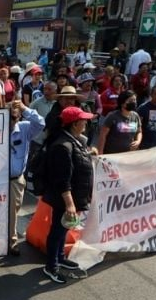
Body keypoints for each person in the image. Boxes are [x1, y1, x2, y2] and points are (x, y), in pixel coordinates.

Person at [41, 106, 93, 284]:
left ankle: (60, 257)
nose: (86, 122)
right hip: (64, 199)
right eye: (83, 120)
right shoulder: (63, 146)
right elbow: (62, 180)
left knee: (63, 229)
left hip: (73, 197)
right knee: (57, 231)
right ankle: (51, 266)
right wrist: (70, 204)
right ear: (75, 124)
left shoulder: (74, 141)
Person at [7, 100, 45, 256]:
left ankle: (12, 242)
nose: (11, 120)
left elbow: (41, 123)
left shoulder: (25, 128)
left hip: (15, 180)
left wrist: (24, 108)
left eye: (14, 117)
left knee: (12, 213)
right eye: (8, 116)